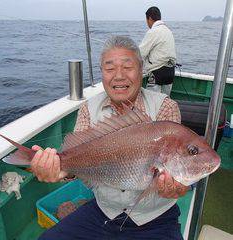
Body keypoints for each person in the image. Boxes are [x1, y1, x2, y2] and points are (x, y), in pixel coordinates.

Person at [31, 36, 188, 240]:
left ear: (141, 71)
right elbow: (74, 161)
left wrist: (175, 188)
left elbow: (176, 170)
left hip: (154, 218)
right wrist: (59, 170)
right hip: (103, 212)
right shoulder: (89, 108)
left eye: (128, 67)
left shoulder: (165, 107)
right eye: (110, 68)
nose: (119, 76)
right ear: (102, 74)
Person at [139, 6, 176, 96]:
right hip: (170, 72)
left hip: (158, 73)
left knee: (152, 103)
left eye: (147, 20)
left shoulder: (153, 31)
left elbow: (140, 53)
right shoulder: (168, 31)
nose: (147, 23)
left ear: (150, 18)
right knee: (165, 101)